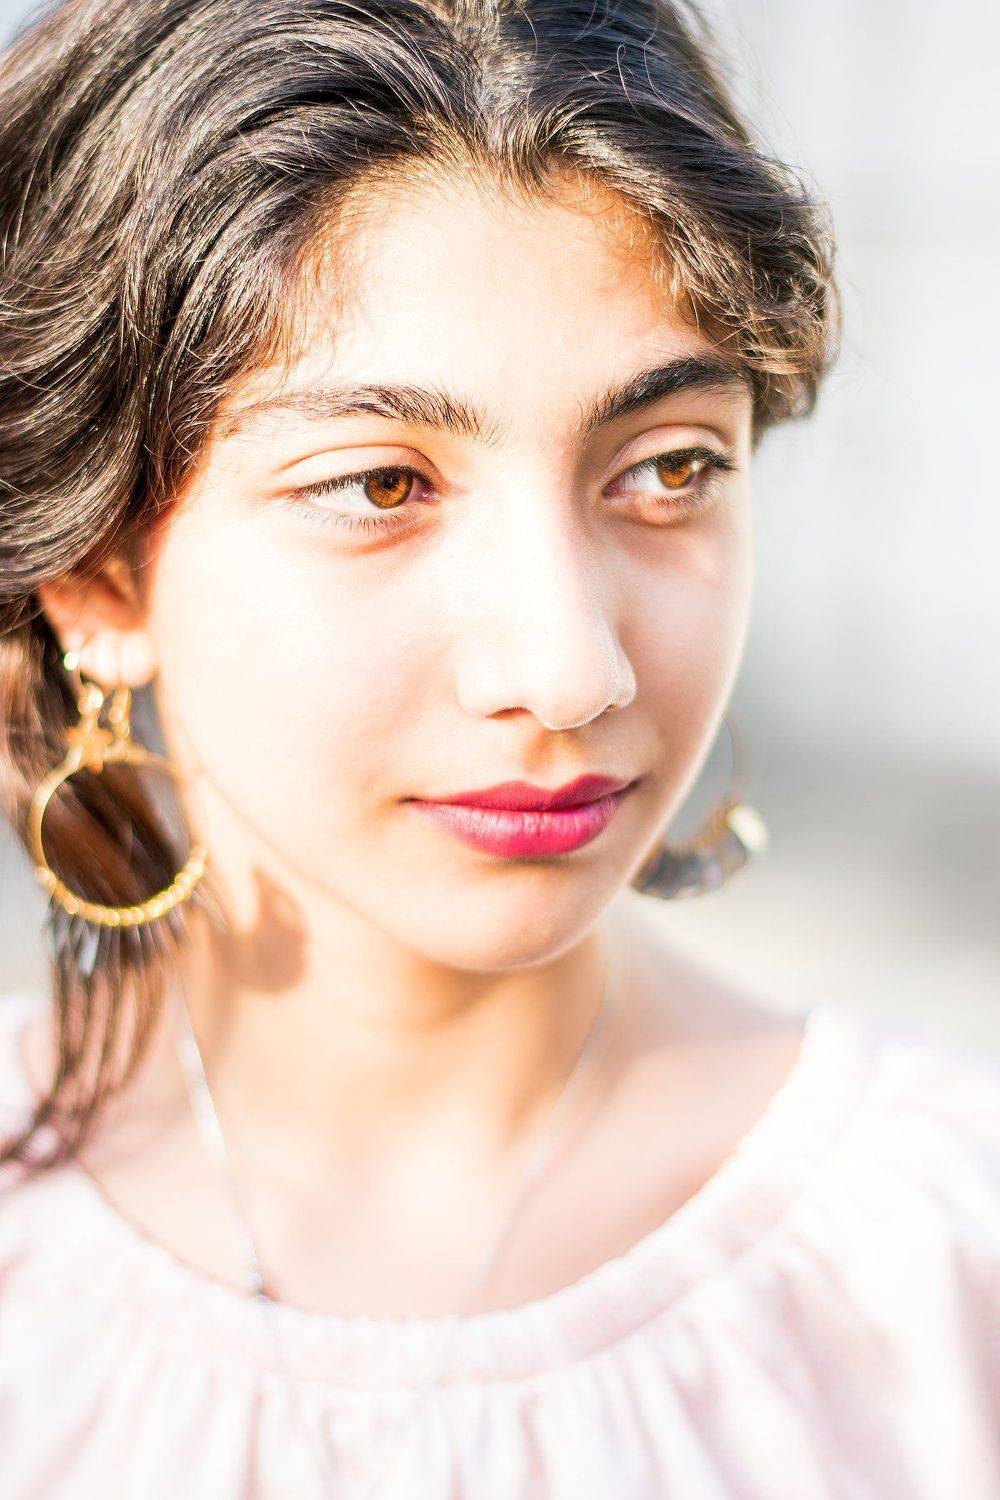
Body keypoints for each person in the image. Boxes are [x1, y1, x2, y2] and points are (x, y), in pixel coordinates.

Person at [0, 1, 997, 1496]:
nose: (573, 668)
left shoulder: (938, 1271)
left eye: (668, 468)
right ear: (95, 576)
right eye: (379, 485)